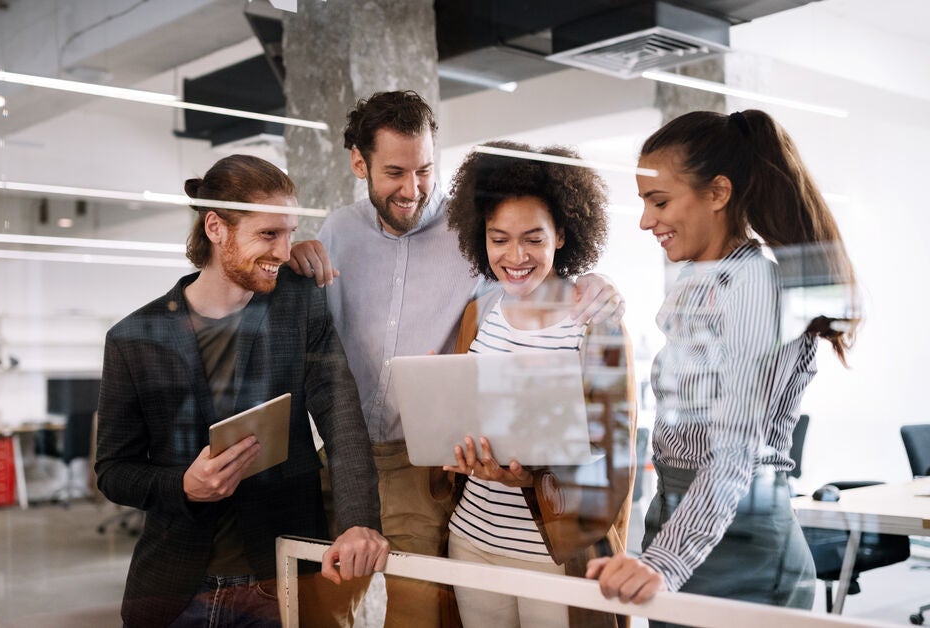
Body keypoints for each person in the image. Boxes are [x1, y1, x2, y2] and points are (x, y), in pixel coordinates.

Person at [285, 90, 625, 627]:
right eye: (394, 171)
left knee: (415, 617)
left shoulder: (466, 235)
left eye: (424, 170)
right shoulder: (337, 232)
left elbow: (531, 285)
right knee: (322, 615)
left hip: (420, 466)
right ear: (359, 163)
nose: (413, 188)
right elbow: (313, 342)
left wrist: (596, 284)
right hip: (343, 454)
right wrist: (290, 255)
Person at [586, 110, 859, 622]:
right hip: (684, 523)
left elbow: (733, 451)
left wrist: (664, 561)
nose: (646, 221)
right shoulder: (704, 281)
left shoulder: (755, 287)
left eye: (659, 201)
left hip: (740, 548)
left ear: (717, 193)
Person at [95, 154, 388, 628]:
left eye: (290, 233)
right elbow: (113, 471)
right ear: (216, 228)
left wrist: (359, 522)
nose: (283, 250)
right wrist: (183, 486)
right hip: (177, 591)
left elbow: (342, 418)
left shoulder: (298, 305)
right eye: (269, 234)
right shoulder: (134, 338)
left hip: (284, 580)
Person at [441, 141, 636, 628]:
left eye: (533, 238)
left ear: (563, 234)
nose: (515, 256)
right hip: (472, 542)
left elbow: (615, 455)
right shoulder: (477, 314)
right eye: (499, 238)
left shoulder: (598, 324)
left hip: (554, 556)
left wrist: (534, 476)